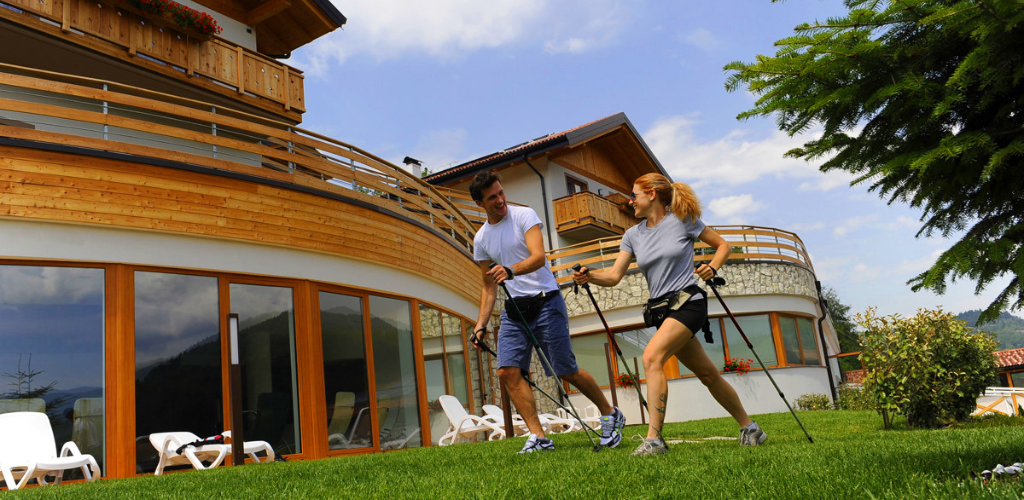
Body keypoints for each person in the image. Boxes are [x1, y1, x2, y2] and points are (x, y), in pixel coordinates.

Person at [572, 173, 767, 456]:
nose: (630, 201)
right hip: (662, 311)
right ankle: (751, 428)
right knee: (707, 374)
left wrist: (712, 267)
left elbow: (723, 246)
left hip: (689, 302)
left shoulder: (682, 221)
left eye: (634, 194)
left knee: (651, 357)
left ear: (652, 194)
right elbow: (614, 276)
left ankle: (654, 439)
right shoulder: (632, 235)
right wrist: (588, 275)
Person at [467, 170, 625, 454]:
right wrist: (479, 325)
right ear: (481, 203)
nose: (501, 200)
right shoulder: (481, 239)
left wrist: (511, 270)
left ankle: (610, 414)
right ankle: (539, 437)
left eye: (501, 193)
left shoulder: (524, 216)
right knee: (506, 371)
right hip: (514, 310)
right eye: (493, 198)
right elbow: (488, 286)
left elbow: (539, 258)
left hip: (545, 302)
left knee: (565, 369)